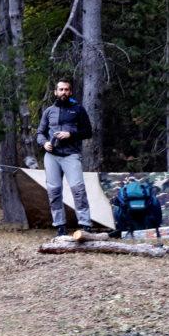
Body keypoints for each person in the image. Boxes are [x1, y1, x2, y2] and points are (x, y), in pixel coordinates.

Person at [36, 78, 94, 237]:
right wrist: (44, 143)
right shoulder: (48, 111)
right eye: (60, 90)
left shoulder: (78, 109)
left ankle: (85, 224)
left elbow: (88, 132)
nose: (64, 92)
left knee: (78, 189)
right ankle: (60, 226)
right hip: (51, 156)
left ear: (71, 92)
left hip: (71, 155)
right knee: (54, 191)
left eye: (66, 90)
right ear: (55, 92)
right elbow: (39, 133)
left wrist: (71, 134)